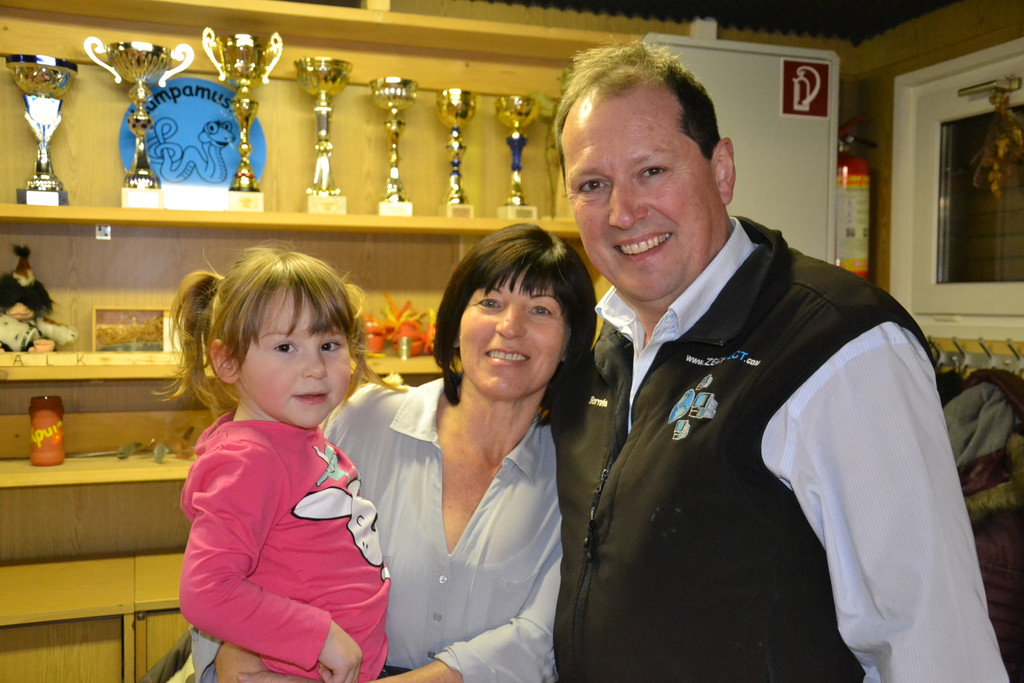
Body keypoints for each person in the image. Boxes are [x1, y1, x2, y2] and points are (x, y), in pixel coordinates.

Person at [548, 38, 1008, 682]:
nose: (623, 213)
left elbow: (930, 636)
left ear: (722, 170)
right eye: (593, 185)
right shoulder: (599, 349)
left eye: (651, 171)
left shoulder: (841, 345)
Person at [197, 224, 597, 682]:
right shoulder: (360, 419)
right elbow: (236, 556)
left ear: (569, 343)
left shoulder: (578, 472)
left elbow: (538, 639)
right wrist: (232, 651)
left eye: (541, 310)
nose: (510, 327)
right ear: (454, 324)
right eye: (490, 303)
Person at [171, 245, 391, 683]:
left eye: (329, 345)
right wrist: (320, 637)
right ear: (227, 362)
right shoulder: (250, 461)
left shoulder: (294, 434)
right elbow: (206, 592)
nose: (316, 368)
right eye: (286, 347)